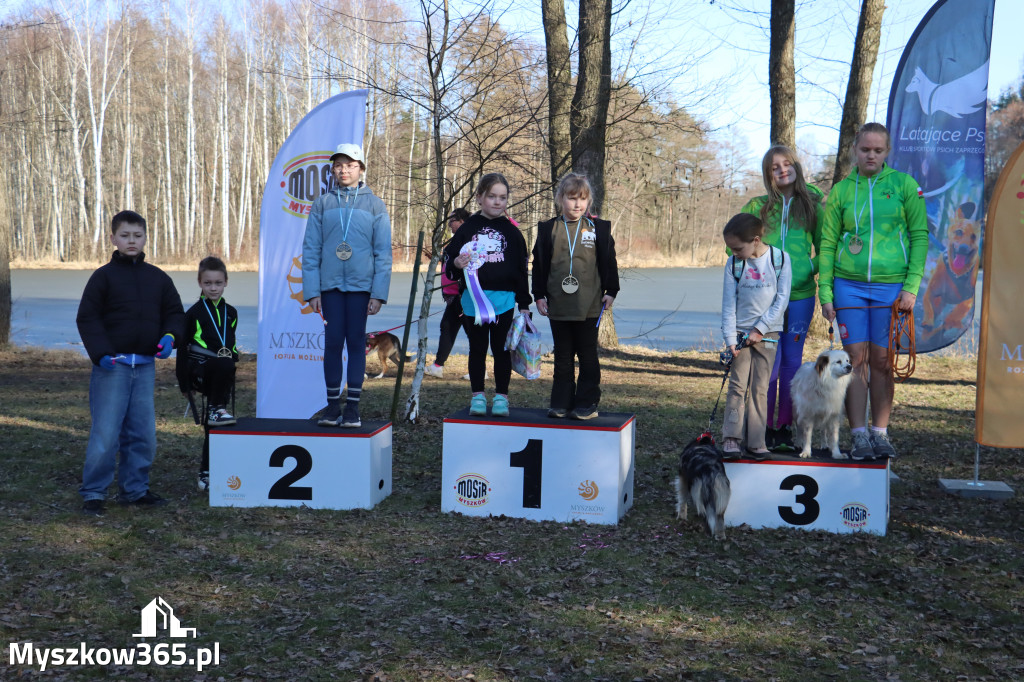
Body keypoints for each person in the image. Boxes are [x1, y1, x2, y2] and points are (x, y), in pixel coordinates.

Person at [819, 122, 928, 460]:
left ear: (887, 152)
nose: (871, 155)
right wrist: (826, 292)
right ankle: (858, 435)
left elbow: (920, 236)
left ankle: (880, 433)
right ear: (855, 149)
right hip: (848, 286)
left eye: (878, 150)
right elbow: (826, 244)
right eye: (865, 149)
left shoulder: (903, 185)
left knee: (881, 362)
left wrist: (910, 287)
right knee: (854, 361)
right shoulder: (840, 191)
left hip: (890, 287)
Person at [76, 210, 185, 516]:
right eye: (125, 236)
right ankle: (95, 492)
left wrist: (170, 337)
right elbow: (87, 317)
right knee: (106, 434)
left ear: (145, 238)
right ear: (113, 239)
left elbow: (175, 313)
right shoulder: (103, 277)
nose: (131, 241)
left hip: (145, 367)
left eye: (137, 235)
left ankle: (135, 490)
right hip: (113, 367)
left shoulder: (158, 278)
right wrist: (101, 353)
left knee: (143, 435)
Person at [741, 145, 824, 451]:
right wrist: (761, 271)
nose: (782, 170)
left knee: (791, 362)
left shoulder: (813, 205)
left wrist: (806, 269)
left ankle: (785, 429)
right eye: (774, 167)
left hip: (801, 295)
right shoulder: (757, 207)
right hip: (766, 298)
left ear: (796, 167)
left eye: (786, 164)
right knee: (767, 364)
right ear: (768, 174)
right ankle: (761, 428)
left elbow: (825, 248)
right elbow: (735, 245)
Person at [303, 143, 392, 428]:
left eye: (351, 165)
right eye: (339, 165)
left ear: (361, 168)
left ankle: (352, 408)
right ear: (333, 169)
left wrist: (378, 293)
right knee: (332, 345)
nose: (344, 170)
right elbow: (311, 249)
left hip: (360, 287)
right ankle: (331, 407)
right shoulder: (322, 203)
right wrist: (312, 291)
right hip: (329, 287)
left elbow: (383, 253)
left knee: (356, 344)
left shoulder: (375, 204)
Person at [443, 172, 532, 417]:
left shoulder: (513, 233)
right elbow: (449, 260)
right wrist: (457, 265)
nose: (497, 202)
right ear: (479, 197)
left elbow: (521, 270)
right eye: (491, 196)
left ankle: (502, 397)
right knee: (477, 349)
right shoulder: (467, 228)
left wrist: (524, 303)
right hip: (473, 302)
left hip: (503, 302)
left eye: (502, 198)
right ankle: (478, 396)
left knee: (502, 350)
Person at [532, 172, 619, 420]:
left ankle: (587, 403)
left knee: (588, 355)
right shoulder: (549, 228)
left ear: (589, 201)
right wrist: (538, 295)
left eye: (582, 199)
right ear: (561, 199)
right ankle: (561, 403)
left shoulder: (598, 229)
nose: (577, 204)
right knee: (562, 356)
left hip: (589, 305)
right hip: (558, 305)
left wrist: (611, 291)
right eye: (572, 198)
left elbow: (609, 262)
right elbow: (538, 265)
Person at [720, 212, 792, 460]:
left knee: (761, 388)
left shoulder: (780, 259)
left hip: (768, 334)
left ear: (756, 239)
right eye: (730, 248)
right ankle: (731, 438)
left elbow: (781, 300)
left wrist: (760, 329)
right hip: (740, 334)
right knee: (737, 387)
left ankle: (757, 441)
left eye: (738, 248)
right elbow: (728, 305)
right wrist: (731, 339)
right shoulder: (733, 264)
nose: (733, 253)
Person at [176, 256, 239, 492]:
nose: (213, 288)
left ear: (226, 283)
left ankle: (208, 473)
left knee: (214, 427)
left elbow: (230, 346)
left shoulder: (231, 313)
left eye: (218, 283)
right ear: (200, 283)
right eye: (208, 283)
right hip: (200, 370)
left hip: (222, 372)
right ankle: (215, 408)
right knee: (214, 418)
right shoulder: (193, 313)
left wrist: (232, 364)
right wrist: (184, 384)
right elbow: (183, 349)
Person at [426, 207, 472, 379]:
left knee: (471, 331)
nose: (449, 225)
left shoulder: (467, 241)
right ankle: (438, 365)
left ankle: (479, 370)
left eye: (452, 221)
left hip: (463, 295)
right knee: (447, 327)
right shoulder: (454, 242)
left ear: (461, 221)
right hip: (452, 296)